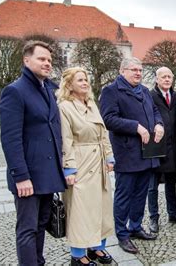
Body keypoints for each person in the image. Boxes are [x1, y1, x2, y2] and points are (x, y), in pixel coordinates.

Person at [0, 40, 66, 265]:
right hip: (28, 175)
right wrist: (21, 176)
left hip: (48, 173)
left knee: (41, 224)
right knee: (27, 229)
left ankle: (38, 261)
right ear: (26, 60)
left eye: (49, 60)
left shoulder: (49, 89)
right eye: (41, 59)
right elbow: (10, 138)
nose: (47, 63)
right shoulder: (15, 91)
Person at [100, 57, 164, 254]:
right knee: (124, 195)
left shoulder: (144, 91)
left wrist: (159, 124)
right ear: (122, 71)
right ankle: (122, 233)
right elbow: (108, 119)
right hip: (127, 153)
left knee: (140, 194)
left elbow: (154, 111)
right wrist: (135, 127)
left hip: (147, 153)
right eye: (133, 70)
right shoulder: (111, 91)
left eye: (140, 70)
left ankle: (135, 227)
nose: (138, 73)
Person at [56, 67, 115, 266]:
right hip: (81, 163)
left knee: (102, 208)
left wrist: (109, 156)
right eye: (80, 80)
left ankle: (97, 247)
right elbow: (66, 139)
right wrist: (69, 168)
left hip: (98, 163)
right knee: (81, 211)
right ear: (69, 84)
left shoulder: (91, 103)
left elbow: (103, 132)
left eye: (86, 79)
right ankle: (78, 254)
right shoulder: (65, 107)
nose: (85, 83)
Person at [147, 67, 176, 233]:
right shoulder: (149, 96)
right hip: (155, 145)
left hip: (174, 146)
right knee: (153, 185)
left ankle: (173, 213)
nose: (167, 79)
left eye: (169, 77)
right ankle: (153, 217)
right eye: (163, 77)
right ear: (157, 79)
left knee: (172, 183)